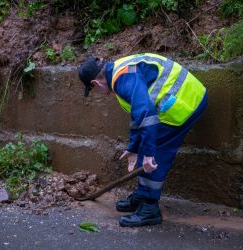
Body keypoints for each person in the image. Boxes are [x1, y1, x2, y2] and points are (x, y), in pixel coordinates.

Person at [78, 53, 208, 227]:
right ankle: (142, 195)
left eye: (94, 90)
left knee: (157, 153)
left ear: (95, 83)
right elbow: (137, 115)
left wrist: (148, 153)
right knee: (146, 149)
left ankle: (149, 208)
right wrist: (134, 147)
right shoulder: (118, 72)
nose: (99, 93)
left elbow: (147, 115)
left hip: (186, 102)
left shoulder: (122, 78)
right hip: (182, 98)